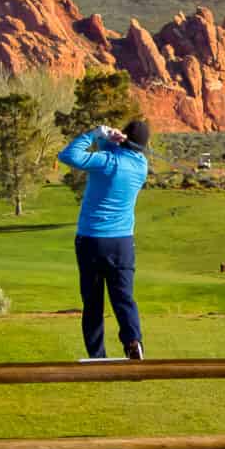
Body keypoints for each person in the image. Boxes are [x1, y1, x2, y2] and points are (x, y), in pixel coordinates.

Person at [59, 119, 151, 360]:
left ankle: (97, 355)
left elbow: (68, 155)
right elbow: (115, 154)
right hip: (122, 244)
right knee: (123, 297)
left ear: (125, 140)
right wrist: (109, 139)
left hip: (91, 241)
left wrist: (94, 135)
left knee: (93, 303)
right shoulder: (141, 165)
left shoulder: (106, 162)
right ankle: (133, 341)